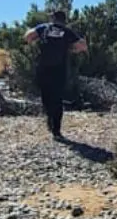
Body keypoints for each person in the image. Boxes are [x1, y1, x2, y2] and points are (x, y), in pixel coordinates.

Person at [24, 11, 87, 139]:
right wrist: (72, 50)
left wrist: (35, 41)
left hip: (43, 68)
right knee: (57, 98)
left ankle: (49, 118)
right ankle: (56, 130)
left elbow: (28, 37)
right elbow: (83, 46)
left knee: (45, 96)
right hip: (59, 69)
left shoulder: (44, 28)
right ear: (64, 20)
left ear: (53, 19)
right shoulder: (67, 31)